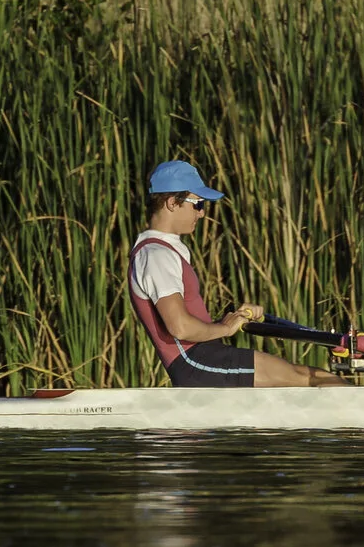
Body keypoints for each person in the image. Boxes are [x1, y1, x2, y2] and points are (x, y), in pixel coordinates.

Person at [127, 161, 343, 388]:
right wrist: (226, 328)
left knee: (308, 377)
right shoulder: (156, 254)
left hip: (204, 358)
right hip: (197, 363)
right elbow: (180, 327)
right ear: (172, 203)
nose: (201, 214)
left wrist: (233, 318)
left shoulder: (165, 250)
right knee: (314, 378)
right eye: (198, 204)